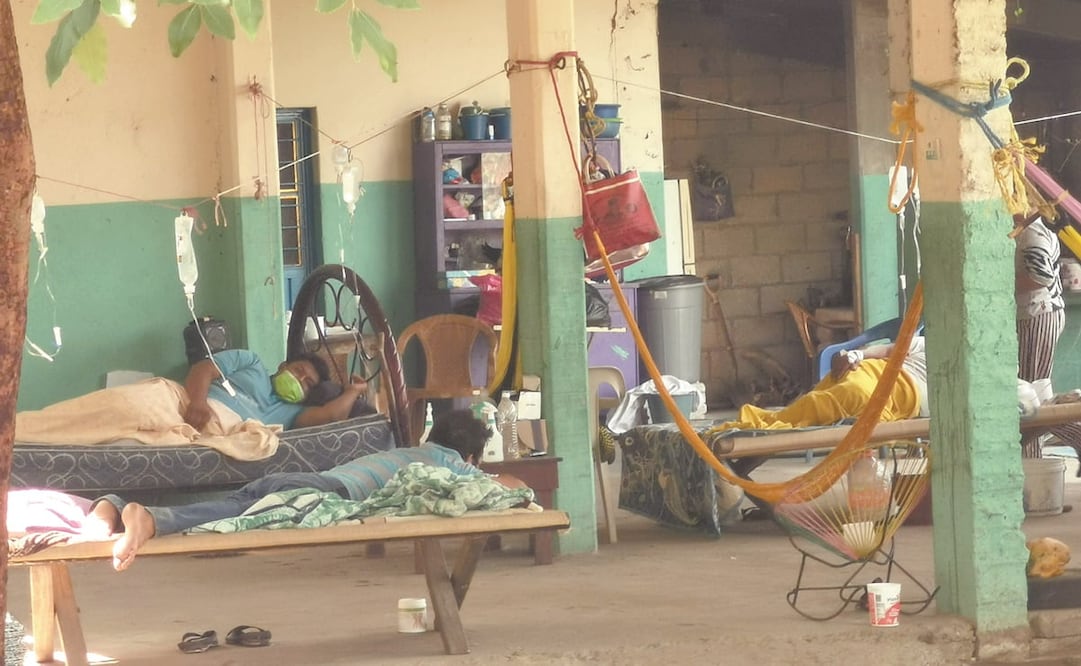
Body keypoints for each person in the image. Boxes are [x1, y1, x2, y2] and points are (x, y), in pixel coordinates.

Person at [85, 409, 528, 571]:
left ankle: (119, 507)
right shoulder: (448, 463)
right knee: (230, 518)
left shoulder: (412, 449)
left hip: (306, 480)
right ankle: (147, 518)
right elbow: (511, 487)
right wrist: (497, 475)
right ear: (469, 456)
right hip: (322, 491)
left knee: (230, 508)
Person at [14, 349, 368, 451]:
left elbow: (331, 416)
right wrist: (196, 403)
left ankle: (19, 438)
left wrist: (354, 391)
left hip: (201, 430)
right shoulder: (251, 363)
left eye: (307, 384)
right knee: (113, 407)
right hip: (177, 401)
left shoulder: (290, 413)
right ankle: (16, 429)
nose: (300, 381)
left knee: (112, 436)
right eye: (299, 370)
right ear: (284, 364)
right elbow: (203, 369)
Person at [708, 336, 928, 434]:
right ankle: (776, 419)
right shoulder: (930, 343)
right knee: (843, 389)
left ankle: (773, 420)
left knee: (854, 395)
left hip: (903, 393)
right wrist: (855, 355)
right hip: (874, 370)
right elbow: (891, 350)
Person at [1015, 214, 1065, 457]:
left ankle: (1033, 459)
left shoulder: (1031, 233)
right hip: (1037, 314)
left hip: (1036, 314)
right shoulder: (1029, 230)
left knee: (1030, 392)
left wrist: (1001, 285)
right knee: (1034, 390)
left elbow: (1040, 277)